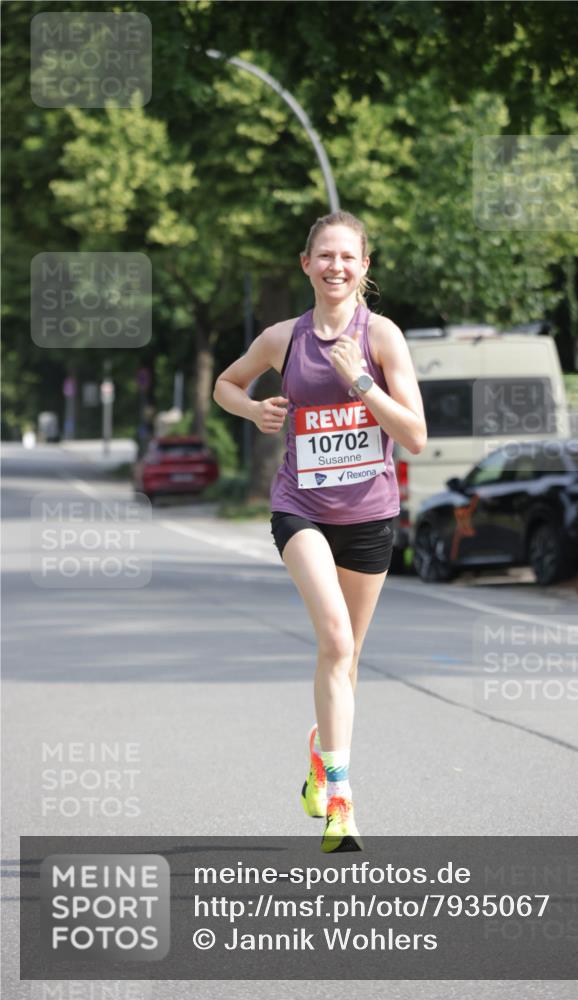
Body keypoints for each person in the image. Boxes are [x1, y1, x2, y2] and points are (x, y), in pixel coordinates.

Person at [213, 210, 426, 852]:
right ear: (305, 264)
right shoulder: (283, 338)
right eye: (324, 256)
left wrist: (361, 377)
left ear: (365, 267)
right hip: (300, 505)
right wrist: (253, 408)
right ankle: (340, 798)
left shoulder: (383, 336)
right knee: (334, 639)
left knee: (347, 659)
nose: (336, 266)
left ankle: (318, 756)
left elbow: (413, 436)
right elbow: (225, 383)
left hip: (370, 515)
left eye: (348, 257)